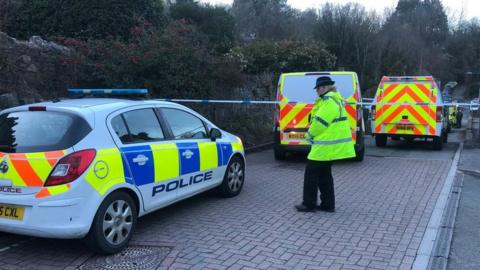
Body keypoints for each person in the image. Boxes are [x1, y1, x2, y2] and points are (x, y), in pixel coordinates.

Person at [295, 76, 356, 213]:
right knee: (325, 176)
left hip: (323, 146)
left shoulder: (329, 102)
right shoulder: (334, 100)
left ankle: (309, 204)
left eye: (318, 88)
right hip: (328, 146)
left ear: (325, 88)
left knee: (311, 174)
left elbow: (320, 123)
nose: (317, 91)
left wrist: (309, 135)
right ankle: (328, 205)